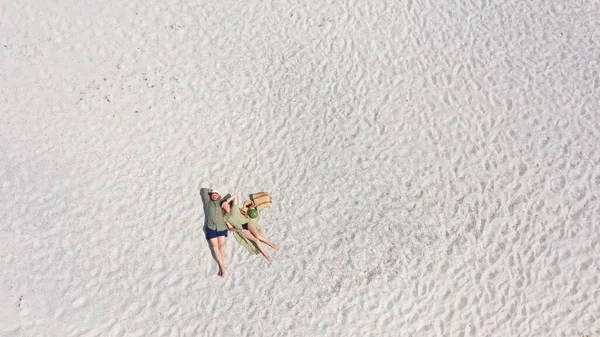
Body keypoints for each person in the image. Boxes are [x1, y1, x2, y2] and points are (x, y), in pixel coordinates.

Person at [221, 194, 279, 262]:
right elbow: (230, 228)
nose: (224, 206)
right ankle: (266, 254)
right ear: (222, 207)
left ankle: (272, 244)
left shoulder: (234, 207)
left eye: (225, 204)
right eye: (223, 205)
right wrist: (239, 230)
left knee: (258, 236)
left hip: (247, 223)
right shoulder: (225, 217)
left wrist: (228, 200)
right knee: (256, 240)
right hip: (241, 229)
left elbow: (235, 196)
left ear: (228, 203)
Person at [203, 188, 228, 277]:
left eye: (216, 194)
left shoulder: (222, 202)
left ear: (219, 196)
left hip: (221, 227)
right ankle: (222, 267)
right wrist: (211, 191)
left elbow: (227, 202)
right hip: (211, 227)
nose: (213, 195)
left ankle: (222, 266)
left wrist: (223, 200)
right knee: (215, 247)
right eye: (212, 194)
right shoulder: (208, 202)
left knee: (221, 246)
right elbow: (204, 191)